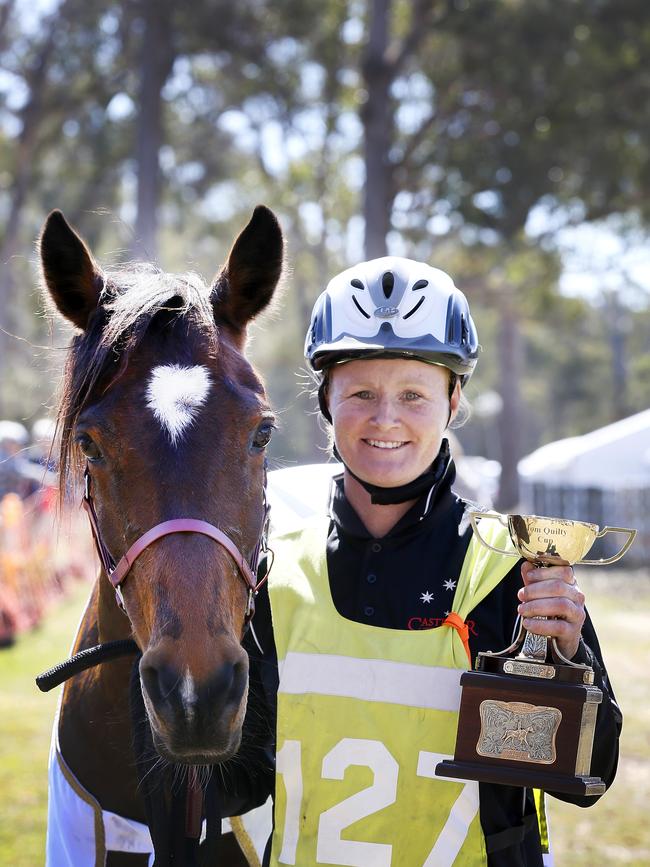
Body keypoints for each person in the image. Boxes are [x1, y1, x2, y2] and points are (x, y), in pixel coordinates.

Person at [226, 256, 621, 866]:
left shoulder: (508, 571)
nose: (386, 419)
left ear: (453, 400)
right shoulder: (273, 573)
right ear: (327, 399)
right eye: (361, 392)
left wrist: (569, 664)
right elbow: (231, 783)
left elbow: (586, 779)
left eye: (414, 394)